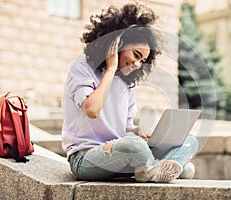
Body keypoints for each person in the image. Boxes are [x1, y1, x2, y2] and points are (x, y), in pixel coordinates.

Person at [61, 2, 198, 183]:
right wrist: (111, 69)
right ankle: (155, 167)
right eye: (135, 55)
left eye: (142, 60)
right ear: (117, 44)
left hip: (121, 153)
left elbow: (124, 129)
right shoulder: (81, 68)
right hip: (86, 158)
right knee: (135, 148)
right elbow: (92, 109)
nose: (137, 65)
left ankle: (151, 169)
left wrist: (137, 131)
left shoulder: (126, 84)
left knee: (190, 141)